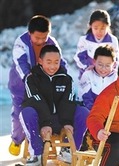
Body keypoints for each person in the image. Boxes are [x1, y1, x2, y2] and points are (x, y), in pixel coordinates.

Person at [8, 15, 68, 156]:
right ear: (30, 34)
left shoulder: (51, 42)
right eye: (37, 38)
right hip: (21, 85)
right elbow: (21, 62)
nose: (41, 41)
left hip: (43, 84)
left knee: (44, 109)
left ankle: (40, 135)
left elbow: (60, 60)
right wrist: (28, 77)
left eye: (44, 38)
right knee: (19, 113)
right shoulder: (21, 42)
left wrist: (64, 74)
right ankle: (17, 139)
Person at [19, 45, 89, 165]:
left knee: (83, 112)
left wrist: (67, 122)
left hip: (60, 119)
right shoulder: (32, 79)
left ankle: (68, 152)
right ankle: (37, 154)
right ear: (40, 61)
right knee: (26, 112)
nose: (52, 66)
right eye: (49, 62)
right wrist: (45, 123)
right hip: (40, 121)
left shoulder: (66, 79)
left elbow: (68, 100)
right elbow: (36, 100)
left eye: (56, 62)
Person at [74, 9, 119, 79]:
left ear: (108, 26)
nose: (99, 31)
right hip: (88, 74)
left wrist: (112, 69)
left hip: (107, 76)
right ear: (90, 26)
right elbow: (79, 57)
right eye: (96, 28)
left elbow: (116, 59)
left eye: (102, 28)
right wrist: (88, 66)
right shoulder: (84, 40)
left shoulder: (113, 40)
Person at [78, 44, 118, 110]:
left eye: (107, 66)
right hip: (90, 109)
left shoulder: (116, 77)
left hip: (110, 110)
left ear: (114, 64)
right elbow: (86, 97)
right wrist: (95, 112)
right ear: (94, 61)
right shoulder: (88, 75)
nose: (103, 69)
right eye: (100, 65)